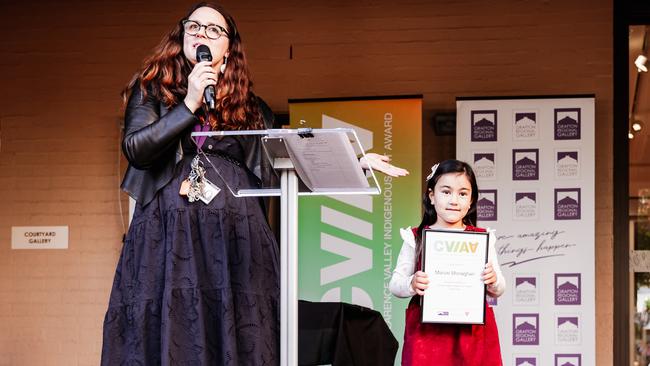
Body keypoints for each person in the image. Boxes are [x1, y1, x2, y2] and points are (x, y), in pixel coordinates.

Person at [101, 3, 407, 364]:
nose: (202, 33)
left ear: (228, 48)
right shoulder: (151, 89)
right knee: (175, 326)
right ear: (181, 35)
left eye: (214, 30)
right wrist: (189, 103)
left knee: (237, 331)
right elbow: (137, 150)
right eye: (194, 26)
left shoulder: (252, 106)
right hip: (169, 238)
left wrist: (354, 160)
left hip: (236, 241)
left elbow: (290, 159)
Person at [389, 159, 505, 366]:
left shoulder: (482, 238)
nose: (454, 200)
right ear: (431, 196)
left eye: (463, 193)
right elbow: (395, 285)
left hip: (472, 332)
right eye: (446, 192)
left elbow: (499, 288)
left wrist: (493, 280)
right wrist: (412, 283)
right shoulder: (415, 237)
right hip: (427, 334)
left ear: (471, 200)